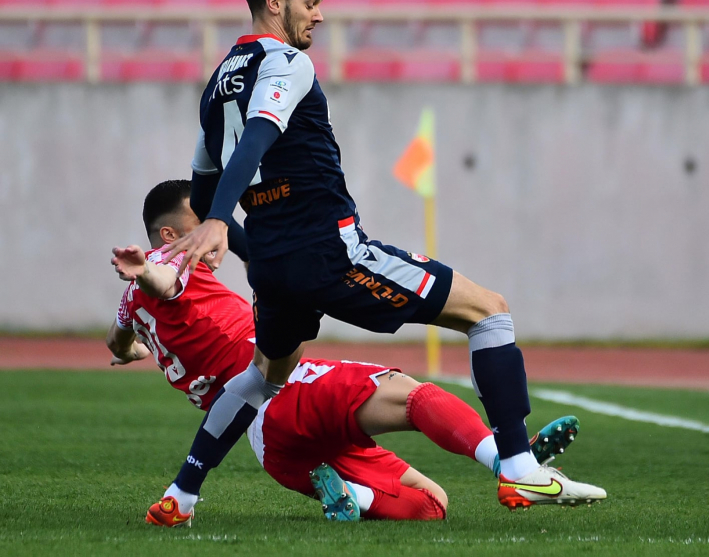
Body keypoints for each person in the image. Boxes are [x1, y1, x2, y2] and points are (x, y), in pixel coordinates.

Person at [154, 0, 606, 524]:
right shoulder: (287, 63)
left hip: (276, 265)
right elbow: (256, 141)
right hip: (331, 251)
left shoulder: (215, 86)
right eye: (310, 1)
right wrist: (218, 222)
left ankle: (182, 495)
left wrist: (246, 244)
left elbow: (199, 188)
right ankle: (520, 471)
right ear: (275, 2)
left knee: (262, 377)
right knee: (489, 313)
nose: (319, 14)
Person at [109, 180, 590, 525]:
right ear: (170, 236)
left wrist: (130, 348)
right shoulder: (164, 263)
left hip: (270, 447)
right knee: (412, 395)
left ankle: (353, 495)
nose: (213, 238)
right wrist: (146, 270)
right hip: (286, 392)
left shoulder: (132, 304)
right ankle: (513, 464)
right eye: (203, 227)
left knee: (431, 504)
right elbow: (164, 279)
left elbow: (117, 336)